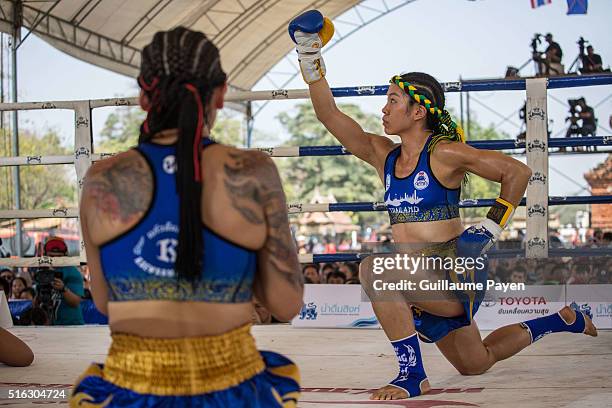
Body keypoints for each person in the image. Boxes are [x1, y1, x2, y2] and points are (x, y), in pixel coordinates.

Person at [289, 10, 598, 400]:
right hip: (417, 275)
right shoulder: (382, 154)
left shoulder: (444, 153)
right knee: (477, 362)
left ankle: (411, 374)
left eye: (392, 100)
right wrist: (309, 57)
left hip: (452, 269)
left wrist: (488, 230)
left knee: (374, 270)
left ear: (418, 111)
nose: (383, 109)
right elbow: (328, 114)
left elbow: (517, 172)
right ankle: (563, 319)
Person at [72, 27, 303, 407]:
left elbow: (103, 301)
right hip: (234, 386)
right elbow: (287, 304)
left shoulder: (102, 179)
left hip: (131, 386)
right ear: (222, 93)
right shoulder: (252, 171)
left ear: (145, 97)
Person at [42, 237, 84, 325]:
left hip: (71, 324)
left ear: (65, 255)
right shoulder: (43, 272)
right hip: (50, 325)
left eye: (59, 257)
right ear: (46, 256)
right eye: (52, 256)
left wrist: (63, 289)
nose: (55, 260)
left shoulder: (73, 272)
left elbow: (75, 302)